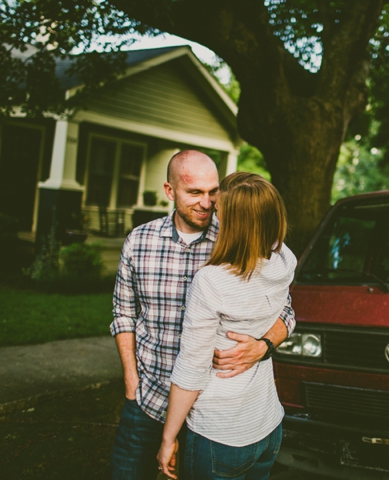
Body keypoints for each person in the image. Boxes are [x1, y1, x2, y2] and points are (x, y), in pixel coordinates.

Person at [109, 151, 295, 480]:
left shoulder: (239, 238)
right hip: (148, 398)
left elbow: (286, 310)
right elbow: (124, 314)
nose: (207, 203)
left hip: (208, 414)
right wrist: (131, 382)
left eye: (213, 192)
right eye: (194, 193)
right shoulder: (138, 241)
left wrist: (263, 345)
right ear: (170, 191)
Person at [157, 173, 296, 480]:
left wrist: (168, 437)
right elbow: (288, 312)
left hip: (220, 435)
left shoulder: (212, 281)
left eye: (219, 211)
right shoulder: (284, 260)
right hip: (268, 427)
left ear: (233, 223)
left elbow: (192, 369)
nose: (213, 214)